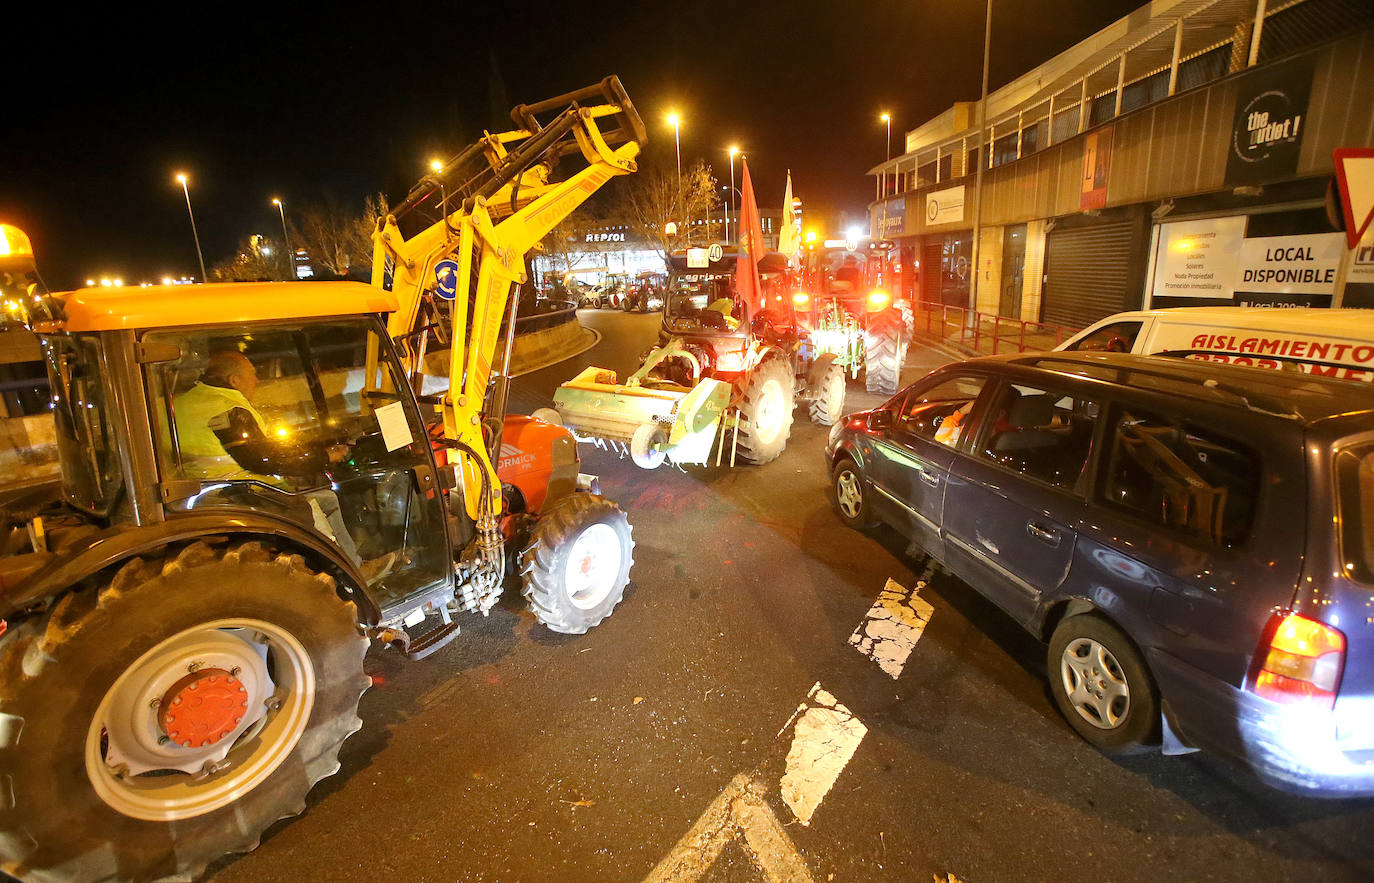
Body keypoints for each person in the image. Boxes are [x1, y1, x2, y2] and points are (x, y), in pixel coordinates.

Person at [173, 350, 391, 580]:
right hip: (238, 491)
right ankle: (343, 576)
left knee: (326, 498)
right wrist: (323, 458)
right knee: (313, 503)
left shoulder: (184, 402)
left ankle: (351, 565)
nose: (257, 380)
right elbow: (263, 460)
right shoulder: (226, 406)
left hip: (198, 492)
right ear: (233, 380)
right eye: (253, 374)